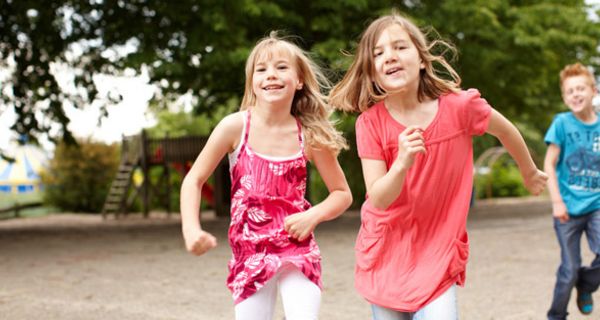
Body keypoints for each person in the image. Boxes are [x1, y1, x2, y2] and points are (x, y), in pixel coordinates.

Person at [329, 12, 548, 319]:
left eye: (400, 47)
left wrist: (528, 170)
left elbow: (505, 129)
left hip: (438, 250)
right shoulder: (370, 123)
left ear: (421, 59)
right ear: (373, 72)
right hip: (386, 252)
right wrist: (402, 163)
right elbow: (378, 197)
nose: (389, 56)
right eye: (378, 53)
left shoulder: (460, 106)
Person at [180, 32, 352, 320]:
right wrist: (191, 230)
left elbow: (342, 193)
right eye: (261, 69)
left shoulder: (309, 135)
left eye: (281, 67)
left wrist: (314, 215)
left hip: (297, 249)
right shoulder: (234, 127)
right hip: (250, 253)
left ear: (298, 81)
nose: (271, 75)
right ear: (253, 84)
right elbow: (194, 180)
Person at [544, 62, 600, 320]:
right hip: (567, 209)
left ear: (594, 91)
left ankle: (586, 285)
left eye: (581, 89)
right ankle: (556, 315)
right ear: (565, 97)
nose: (575, 94)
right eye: (570, 91)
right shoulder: (562, 123)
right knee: (569, 269)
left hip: (596, 206)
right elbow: (549, 163)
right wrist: (557, 201)